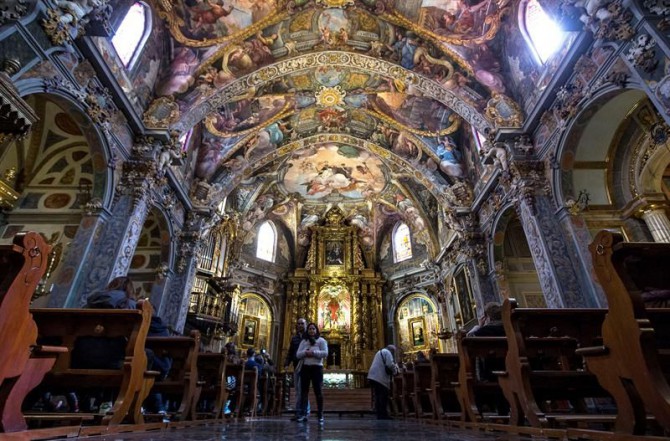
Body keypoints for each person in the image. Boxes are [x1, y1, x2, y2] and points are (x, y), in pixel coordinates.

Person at [296, 322, 328, 423]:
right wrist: (305, 352)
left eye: (313, 329)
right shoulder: (304, 341)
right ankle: (304, 414)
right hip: (305, 368)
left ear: (316, 330)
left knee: (318, 391)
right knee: (304, 392)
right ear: (307, 330)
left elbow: (325, 353)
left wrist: (313, 353)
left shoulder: (321, 341)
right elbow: (298, 354)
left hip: (317, 368)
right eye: (310, 329)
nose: (311, 330)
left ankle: (320, 414)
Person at [284, 317, 310, 420]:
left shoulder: (309, 337)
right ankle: (301, 411)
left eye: (302, 323)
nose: (300, 325)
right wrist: (286, 363)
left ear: (306, 325)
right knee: (298, 390)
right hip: (296, 366)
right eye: (298, 324)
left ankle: (302, 412)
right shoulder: (294, 339)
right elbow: (291, 352)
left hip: (306, 366)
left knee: (303, 390)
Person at [367, 344, 398, 420]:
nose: (393, 354)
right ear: (391, 350)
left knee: (378, 396)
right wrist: (395, 370)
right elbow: (389, 364)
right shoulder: (387, 352)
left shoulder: (379, 352)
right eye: (393, 352)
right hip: (380, 377)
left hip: (373, 376)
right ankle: (383, 414)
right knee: (383, 396)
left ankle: (379, 414)